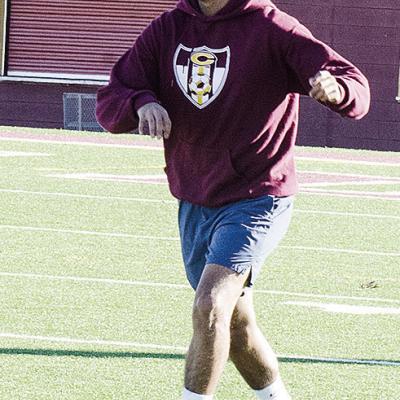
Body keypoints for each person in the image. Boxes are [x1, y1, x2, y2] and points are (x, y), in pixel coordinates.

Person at [96, 0, 370, 398]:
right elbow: (112, 96)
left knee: (210, 305)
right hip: (195, 197)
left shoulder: (273, 27)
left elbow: (354, 84)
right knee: (236, 326)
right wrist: (141, 102)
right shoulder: (167, 29)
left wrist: (338, 89)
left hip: (258, 196)